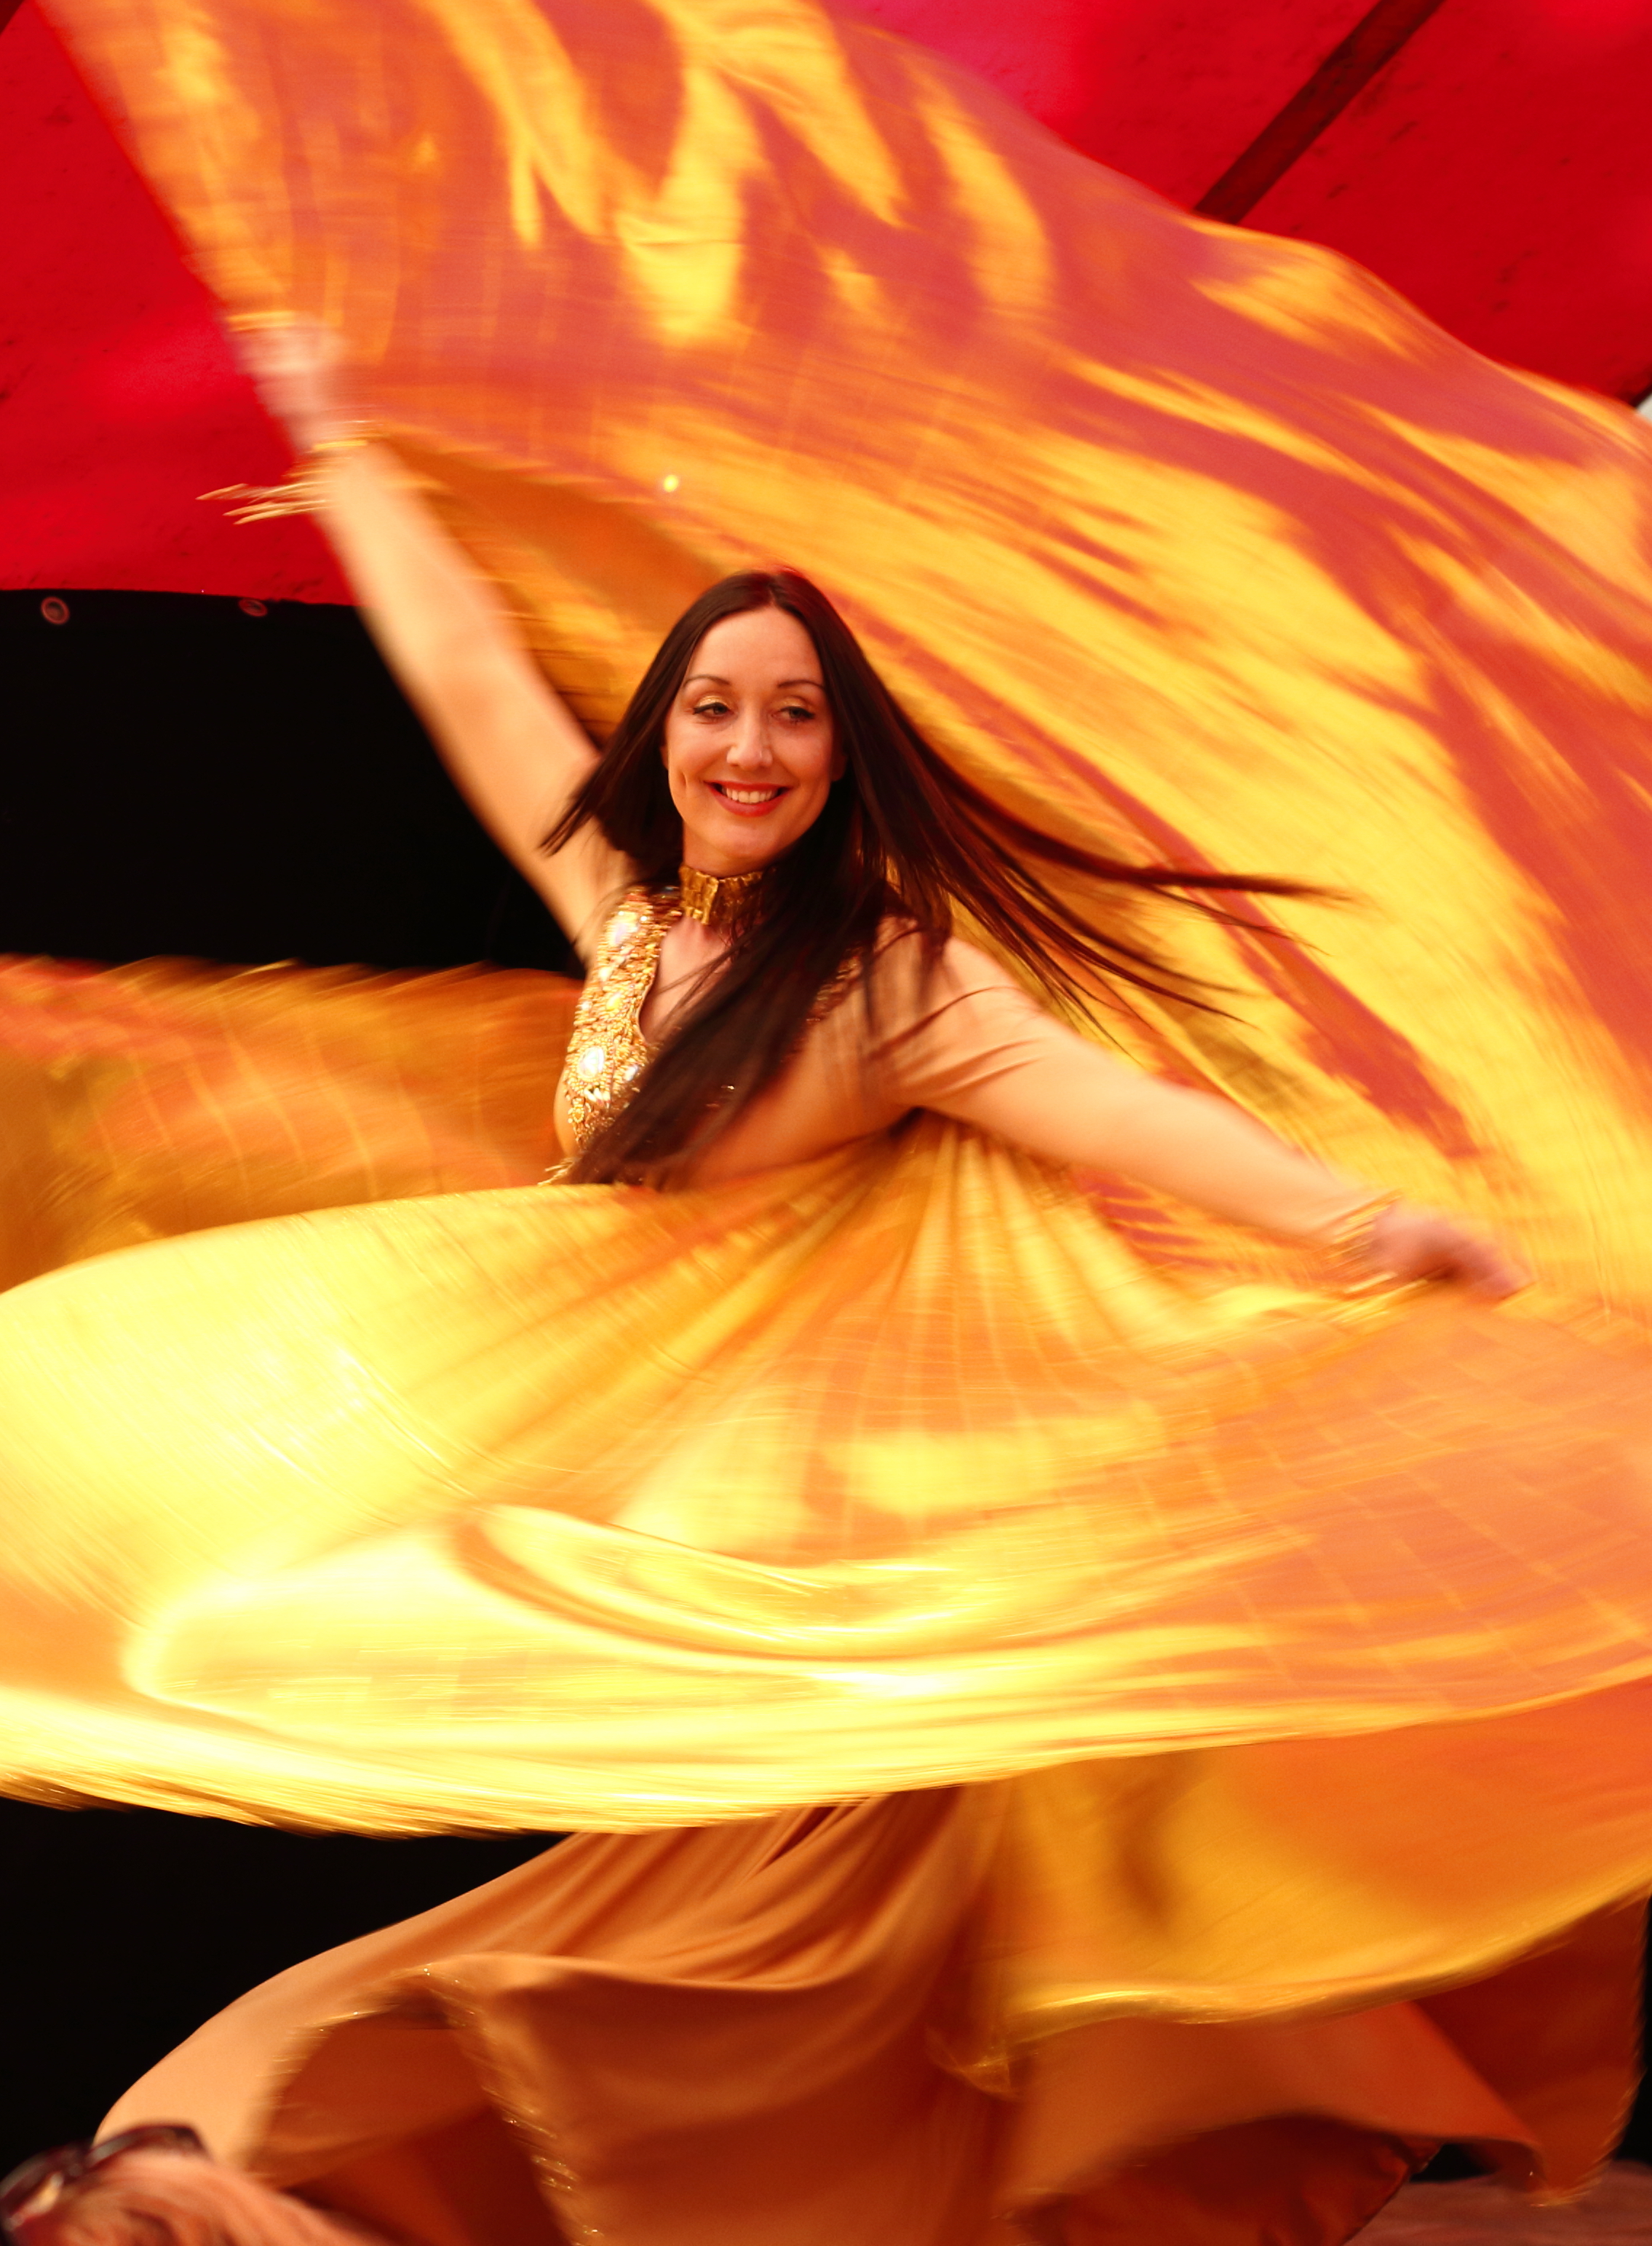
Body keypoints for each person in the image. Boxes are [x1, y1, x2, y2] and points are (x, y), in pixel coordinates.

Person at [6, 339, 1652, 2246]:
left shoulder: (895, 988)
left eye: (794, 718)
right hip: (673, 1568)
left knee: (709, 2019)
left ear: (840, 751)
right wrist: (343, 443)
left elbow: (1115, 1113)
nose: (748, 750)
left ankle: (241, 2191)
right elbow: (467, 679)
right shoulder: (634, 922)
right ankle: (246, 2185)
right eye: (715, 708)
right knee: (587, 1990)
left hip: (835, 1598)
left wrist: (1370, 1226)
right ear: (670, 729)